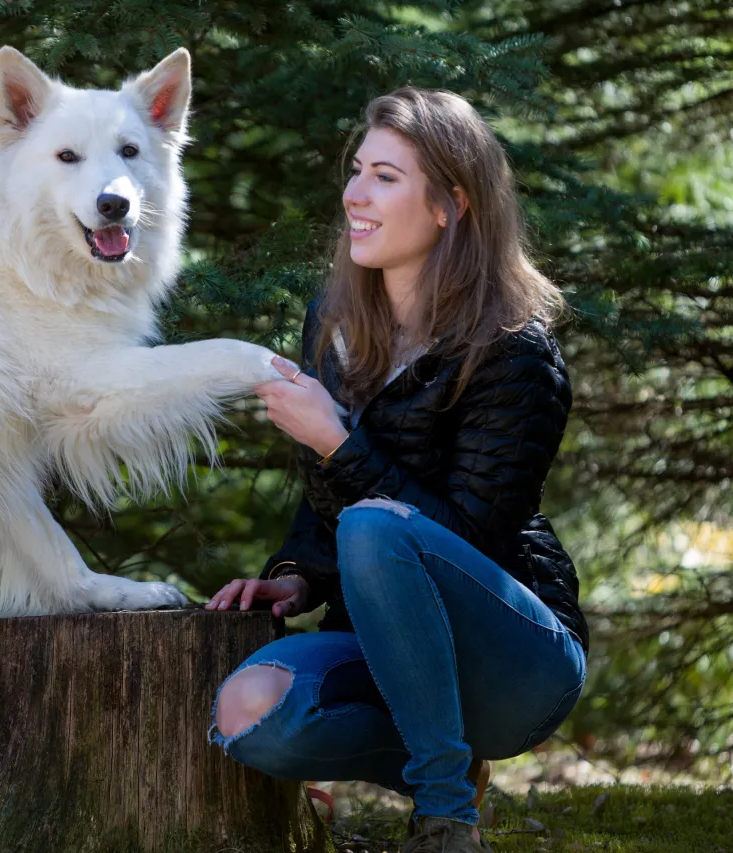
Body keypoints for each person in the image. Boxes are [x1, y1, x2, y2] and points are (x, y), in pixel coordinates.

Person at [203, 87, 589, 853]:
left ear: (450, 204)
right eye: (357, 170)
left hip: (516, 661)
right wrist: (299, 577)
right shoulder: (334, 323)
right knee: (248, 709)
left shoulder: (516, 352)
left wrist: (339, 445)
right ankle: (441, 764)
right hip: (390, 651)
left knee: (380, 523)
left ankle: (447, 821)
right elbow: (329, 510)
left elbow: (470, 537)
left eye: (385, 175)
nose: (354, 193)